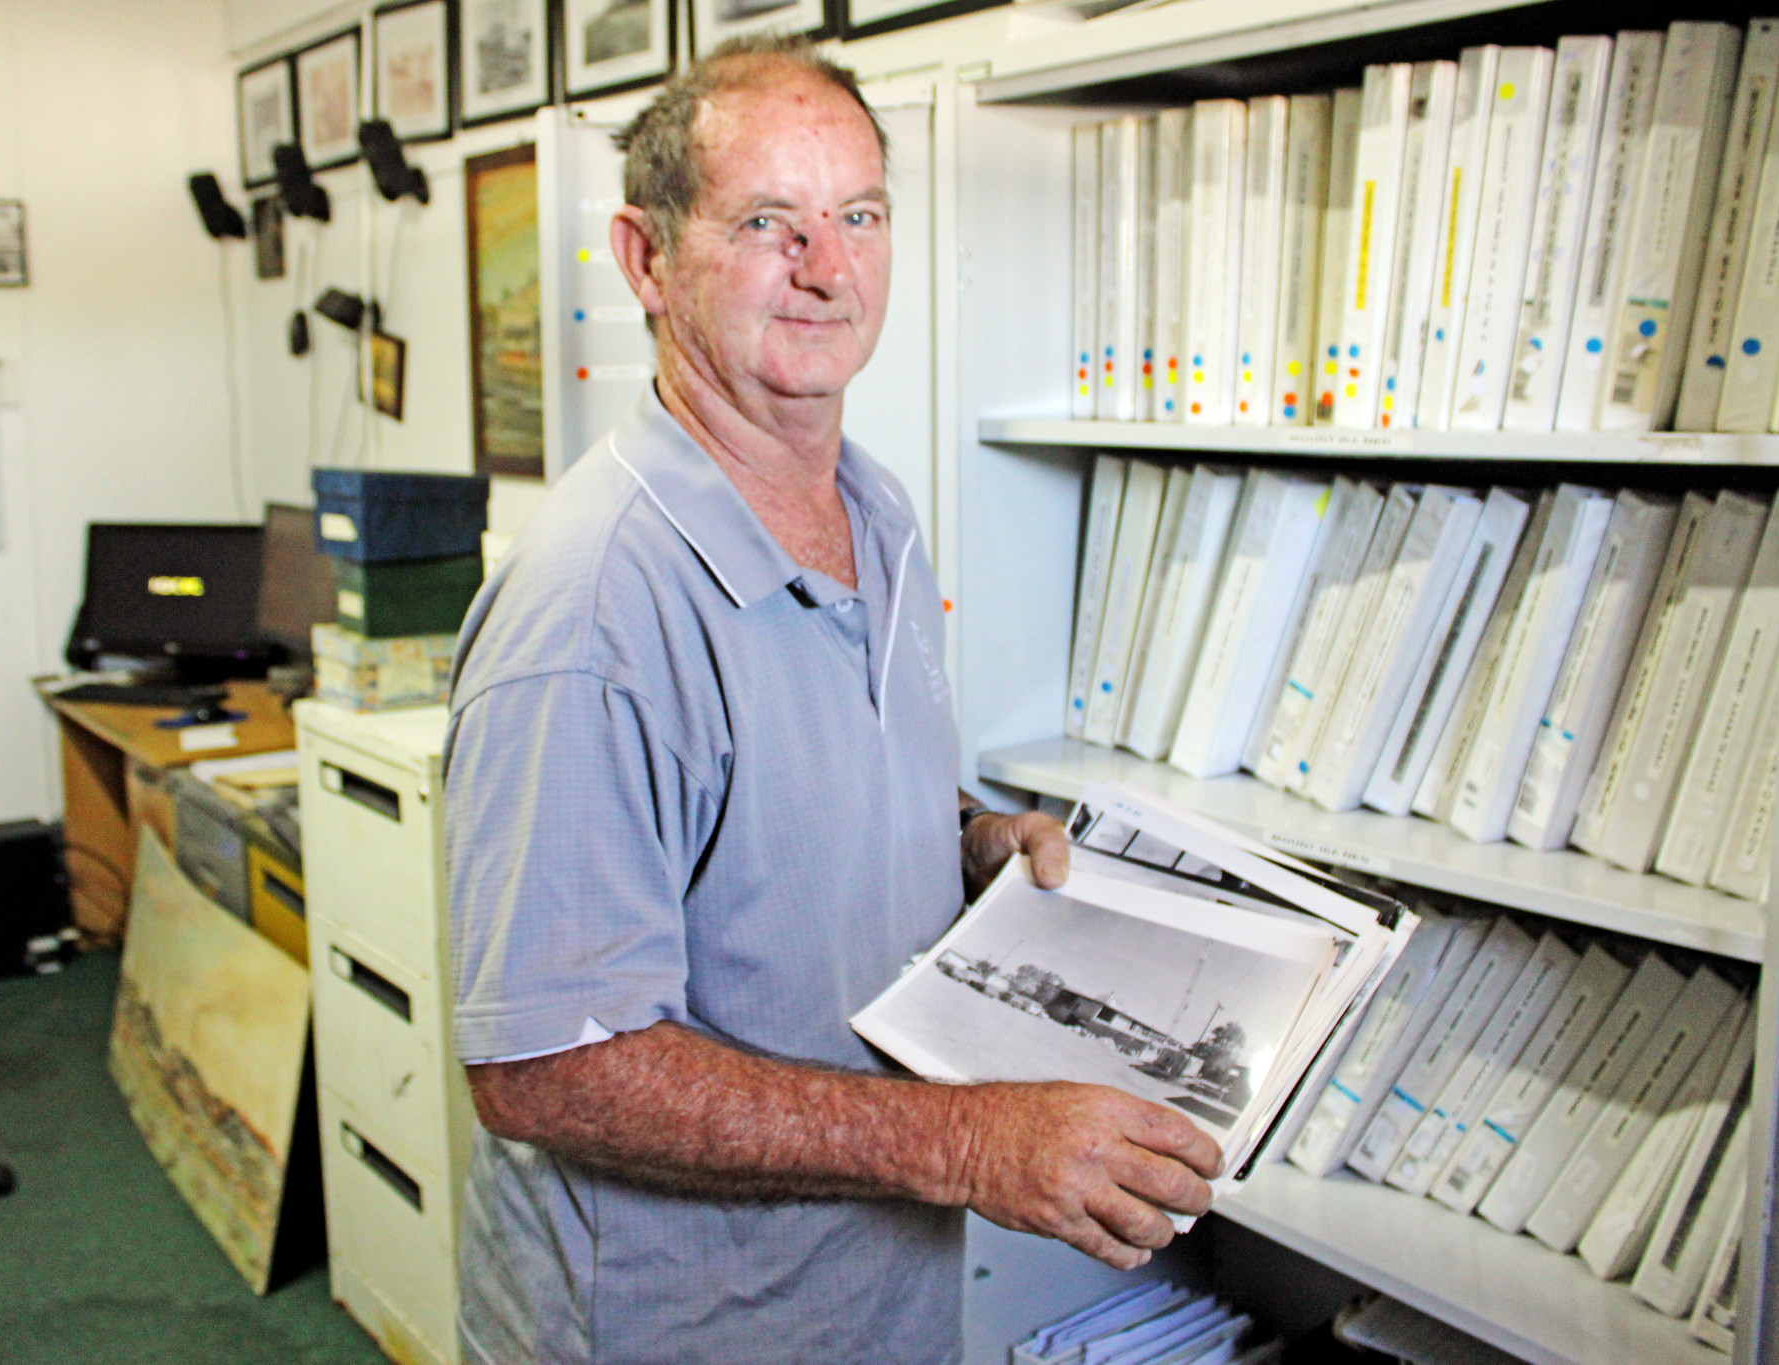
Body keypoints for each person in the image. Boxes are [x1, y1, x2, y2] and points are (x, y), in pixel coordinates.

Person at [443, 36, 1221, 1365]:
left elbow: (796, 786)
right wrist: (974, 1136)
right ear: (645, 259)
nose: (829, 266)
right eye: (768, 223)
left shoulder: (875, 508)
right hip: (675, 1328)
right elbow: (546, 1064)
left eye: (859, 215)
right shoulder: (594, 612)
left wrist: (959, 833)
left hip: (865, 1294)